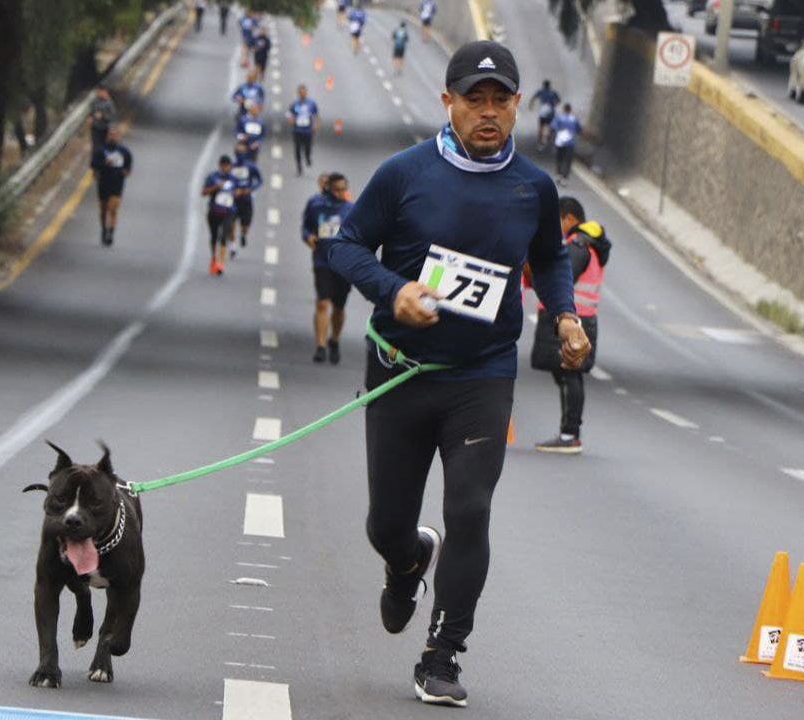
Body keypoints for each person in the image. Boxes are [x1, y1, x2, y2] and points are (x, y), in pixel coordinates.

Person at [325, 40, 590, 707]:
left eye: (502, 100)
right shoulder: (404, 174)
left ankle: (442, 654)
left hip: (482, 375)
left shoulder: (533, 186)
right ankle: (407, 556)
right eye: (475, 99)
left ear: (517, 106)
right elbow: (346, 246)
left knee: (470, 510)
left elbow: (551, 260)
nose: (489, 112)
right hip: (401, 370)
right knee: (386, 522)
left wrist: (562, 316)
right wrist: (394, 291)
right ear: (448, 102)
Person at [530, 196, 611, 454]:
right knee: (564, 373)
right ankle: (568, 432)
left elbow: (562, 277)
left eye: (558, 221)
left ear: (570, 219)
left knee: (569, 373)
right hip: (575, 318)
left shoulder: (578, 246)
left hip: (574, 320)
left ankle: (569, 434)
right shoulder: (585, 244)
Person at [302, 173, 354, 364]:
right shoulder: (316, 206)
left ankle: (334, 340)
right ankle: (321, 345)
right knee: (322, 303)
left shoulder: (351, 209)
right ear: (328, 189)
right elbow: (306, 228)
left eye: (343, 189)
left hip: (343, 264)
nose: (340, 193)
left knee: (339, 307)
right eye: (337, 189)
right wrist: (308, 237)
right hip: (322, 261)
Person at [89, 126, 133, 247]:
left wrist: (125, 172)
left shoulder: (125, 152)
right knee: (103, 209)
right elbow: (93, 165)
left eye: (115, 134)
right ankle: (103, 229)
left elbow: (128, 168)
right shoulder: (100, 150)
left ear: (119, 136)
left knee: (113, 209)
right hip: (104, 182)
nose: (113, 136)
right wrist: (103, 165)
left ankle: (110, 233)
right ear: (107, 135)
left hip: (117, 183)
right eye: (111, 134)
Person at [201, 155, 238, 276]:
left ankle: (220, 263)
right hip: (214, 211)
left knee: (224, 237)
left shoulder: (234, 179)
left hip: (228, 212)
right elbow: (204, 192)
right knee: (214, 236)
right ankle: (213, 258)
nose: (225, 168)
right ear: (219, 165)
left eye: (227, 166)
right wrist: (216, 187)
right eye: (223, 165)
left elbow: (239, 192)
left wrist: (235, 193)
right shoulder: (212, 177)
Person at [230, 139, 264, 256]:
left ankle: (243, 234)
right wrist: (233, 190)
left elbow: (260, 180)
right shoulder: (231, 167)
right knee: (231, 223)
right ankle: (233, 246)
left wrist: (251, 188)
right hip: (233, 200)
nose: (240, 152)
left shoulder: (251, 166)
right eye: (238, 150)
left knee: (245, 224)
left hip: (246, 200)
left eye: (242, 150)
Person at [286, 84, 320, 176]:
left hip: (308, 130)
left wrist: (315, 125)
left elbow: (316, 115)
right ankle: (299, 166)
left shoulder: (311, 103)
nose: (302, 94)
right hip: (297, 130)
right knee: (297, 148)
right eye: (300, 92)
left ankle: (308, 157)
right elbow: (289, 114)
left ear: (306, 92)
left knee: (307, 147)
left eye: (303, 92)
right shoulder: (295, 103)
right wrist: (290, 120)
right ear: (298, 93)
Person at [551, 102, 581, 185]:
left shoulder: (559, 117)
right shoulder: (574, 119)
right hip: (570, 143)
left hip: (559, 142)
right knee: (567, 160)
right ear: (570, 110)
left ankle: (558, 174)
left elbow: (553, 127)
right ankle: (564, 178)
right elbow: (579, 129)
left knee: (559, 158)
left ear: (564, 109)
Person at [527, 79, 560, 151]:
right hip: (551, 112)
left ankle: (540, 143)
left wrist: (530, 105)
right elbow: (558, 100)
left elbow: (533, 98)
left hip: (543, 111)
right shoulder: (553, 92)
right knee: (550, 127)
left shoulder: (541, 91)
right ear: (549, 85)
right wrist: (554, 104)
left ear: (544, 85)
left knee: (541, 127)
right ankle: (548, 141)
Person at [89, 85, 116, 151]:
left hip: (103, 128)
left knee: (100, 145)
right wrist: (91, 117)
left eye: (100, 92)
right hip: (95, 127)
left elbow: (112, 116)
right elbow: (92, 109)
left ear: (105, 92)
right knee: (95, 145)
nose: (99, 94)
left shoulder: (109, 103)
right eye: (98, 92)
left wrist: (102, 116)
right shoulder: (96, 100)